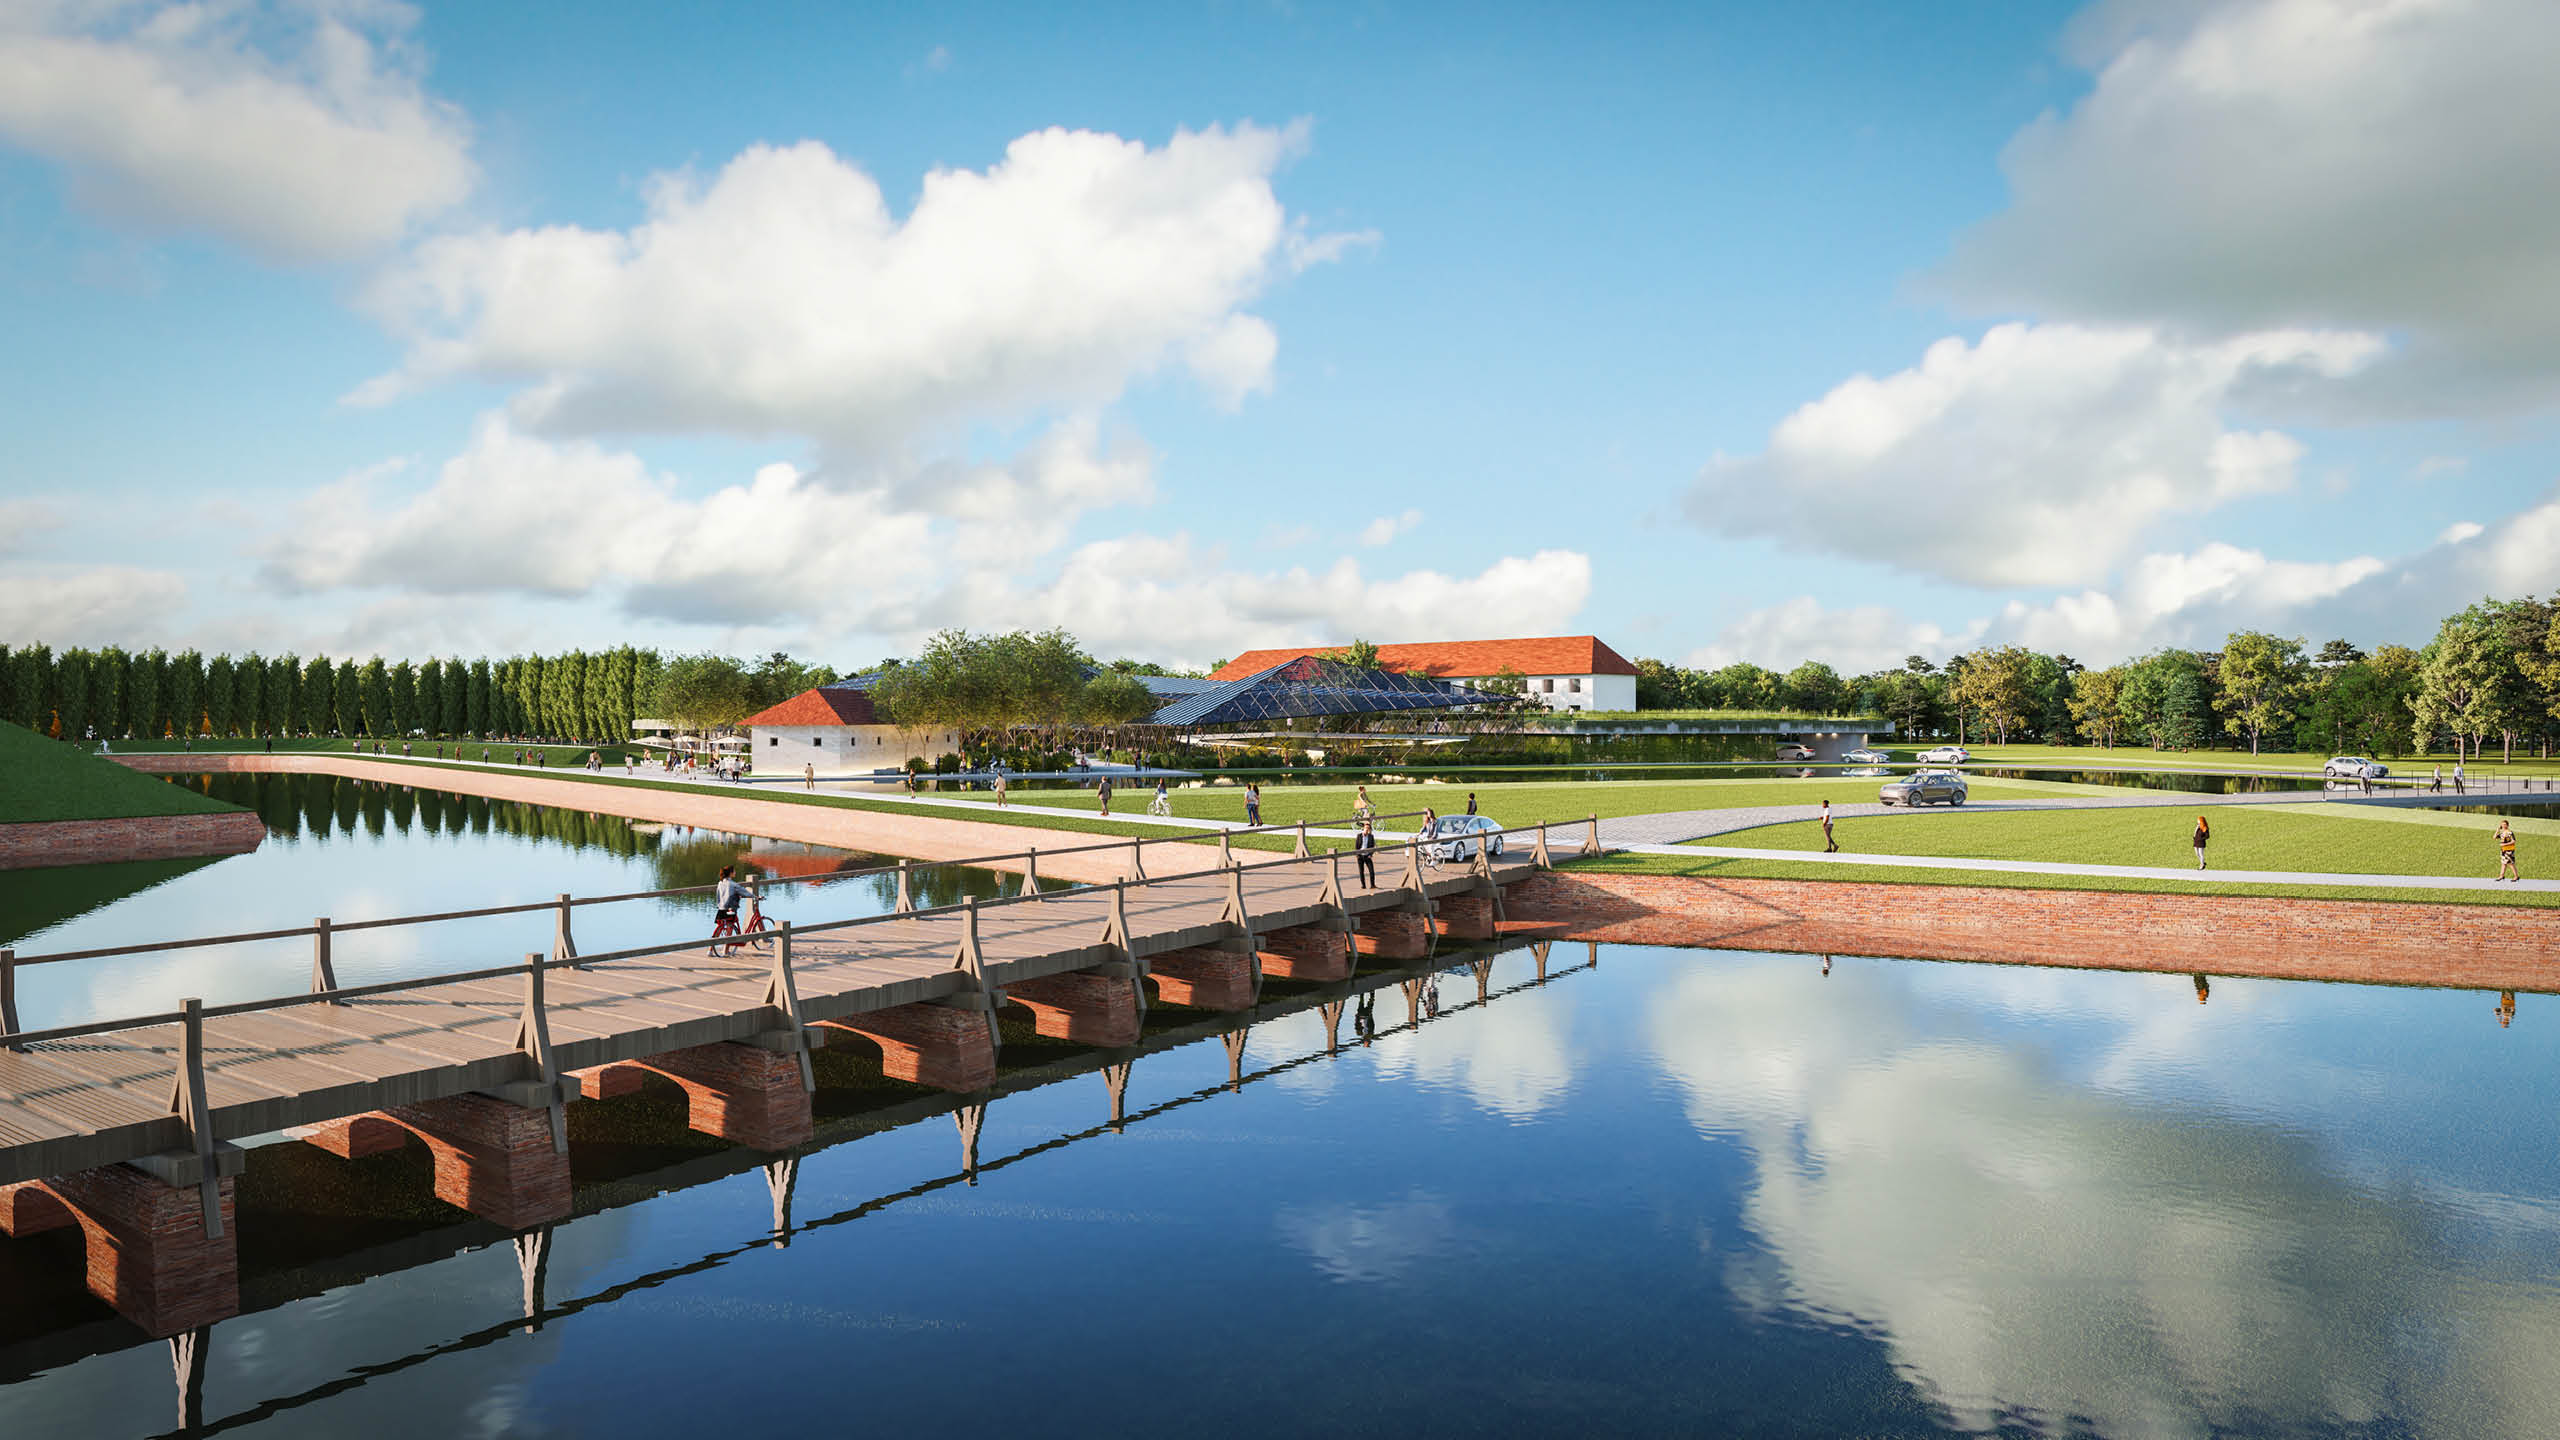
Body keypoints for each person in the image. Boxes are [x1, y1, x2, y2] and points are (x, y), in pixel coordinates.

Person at [708, 865, 745, 955]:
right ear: (731, 873)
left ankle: (710, 950)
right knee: (729, 929)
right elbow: (741, 892)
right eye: (734, 871)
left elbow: (718, 896)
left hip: (721, 909)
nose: (735, 873)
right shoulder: (732, 884)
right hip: (730, 909)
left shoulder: (720, 883)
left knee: (718, 929)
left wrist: (719, 905)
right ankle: (726, 950)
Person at [1355, 821, 1378, 887]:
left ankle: (1372, 885)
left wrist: (1370, 854)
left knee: (1371, 871)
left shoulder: (1371, 836)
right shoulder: (1359, 836)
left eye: (1368, 829)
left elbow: (1372, 847)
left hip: (1367, 856)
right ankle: (1363, 885)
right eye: (1366, 828)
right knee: (1361, 871)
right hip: (1360, 856)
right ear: (1363, 828)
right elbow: (1356, 846)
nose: (1367, 830)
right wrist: (1357, 855)